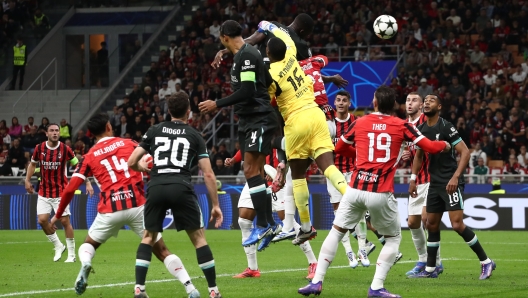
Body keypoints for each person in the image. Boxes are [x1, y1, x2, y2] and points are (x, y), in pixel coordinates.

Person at [298, 86, 450, 297]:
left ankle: (316, 282)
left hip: (356, 188)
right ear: (394, 105)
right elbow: (431, 148)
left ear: (375, 103)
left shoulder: (360, 122)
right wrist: (445, 144)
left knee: (336, 231)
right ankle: (376, 287)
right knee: (393, 239)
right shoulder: (402, 125)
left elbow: (339, 148)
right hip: (380, 192)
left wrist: (361, 156)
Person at [50, 113, 201, 297]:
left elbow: (70, 189)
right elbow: (152, 163)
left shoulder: (88, 157)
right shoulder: (129, 144)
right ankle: (190, 287)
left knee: (87, 245)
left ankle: (86, 263)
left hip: (109, 209)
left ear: (91, 134)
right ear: (108, 127)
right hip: (137, 206)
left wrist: (58, 214)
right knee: (161, 250)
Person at [259, 21, 348, 245]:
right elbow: (284, 34)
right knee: (329, 167)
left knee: (297, 177)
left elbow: (264, 100)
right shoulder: (291, 55)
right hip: (317, 115)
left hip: (296, 121)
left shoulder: (271, 73)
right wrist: (267, 25)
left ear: (268, 53)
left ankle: (306, 226)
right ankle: (353, 197)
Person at [128, 92, 223, 298]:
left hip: (157, 186)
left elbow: (131, 161)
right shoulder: (195, 135)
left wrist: (142, 167)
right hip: (181, 186)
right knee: (199, 239)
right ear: (188, 111)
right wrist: (215, 205)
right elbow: (207, 173)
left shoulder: (154, 130)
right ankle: (213, 291)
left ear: (169, 111)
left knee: (148, 237)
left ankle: (139, 288)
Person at [198, 20, 281, 247]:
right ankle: (268, 224)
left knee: (249, 169)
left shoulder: (246, 56)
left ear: (223, 36)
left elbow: (246, 91)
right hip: (250, 119)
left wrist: (217, 103)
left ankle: (265, 225)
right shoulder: (243, 53)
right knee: (255, 171)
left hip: (258, 117)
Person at [408, 94, 495, 280]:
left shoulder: (446, 126)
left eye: (432, 100)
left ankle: (486, 262)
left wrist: (455, 177)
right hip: (434, 182)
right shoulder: (421, 129)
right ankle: (430, 269)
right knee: (431, 223)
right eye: (426, 100)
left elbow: (465, 153)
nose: (427, 102)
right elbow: (418, 156)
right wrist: (413, 179)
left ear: (439, 107)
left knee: (457, 224)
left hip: (450, 181)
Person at [211, 14, 348, 89]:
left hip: (257, 80)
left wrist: (224, 51)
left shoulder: (272, 26)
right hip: (278, 87)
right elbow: (309, 75)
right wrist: (331, 78)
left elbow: (249, 41)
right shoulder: (302, 47)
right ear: (303, 32)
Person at [401, 92, 443, 276]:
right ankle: (422, 260)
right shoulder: (404, 126)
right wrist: (405, 155)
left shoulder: (428, 121)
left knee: (427, 220)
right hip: (416, 180)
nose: (410, 103)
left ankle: (437, 263)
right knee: (412, 222)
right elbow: (407, 150)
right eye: (408, 100)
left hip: (432, 178)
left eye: (414, 100)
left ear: (421, 105)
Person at [23, 124, 80, 262]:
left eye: (57, 131)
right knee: (42, 221)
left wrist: (81, 179)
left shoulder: (65, 149)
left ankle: (71, 255)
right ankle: (58, 245)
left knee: (65, 221)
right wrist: (27, 180)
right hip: (44, 191)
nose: (55, 133)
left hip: (61, 192)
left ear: (59, 133)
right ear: (47, 133)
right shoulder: (39, 148)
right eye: (52, 131)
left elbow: (77, 164)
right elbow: (33, 164)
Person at [326, 90, 365, 268]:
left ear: (349, 103)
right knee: (339, 212)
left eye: (344, 100)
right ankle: (349, 252)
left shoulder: (356, 122)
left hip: (353, 171)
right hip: (333, 172)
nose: (341, 103)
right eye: (338, 100)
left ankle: (362, 249)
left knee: (359, 209)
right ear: (335, 102)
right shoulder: (328, 122)